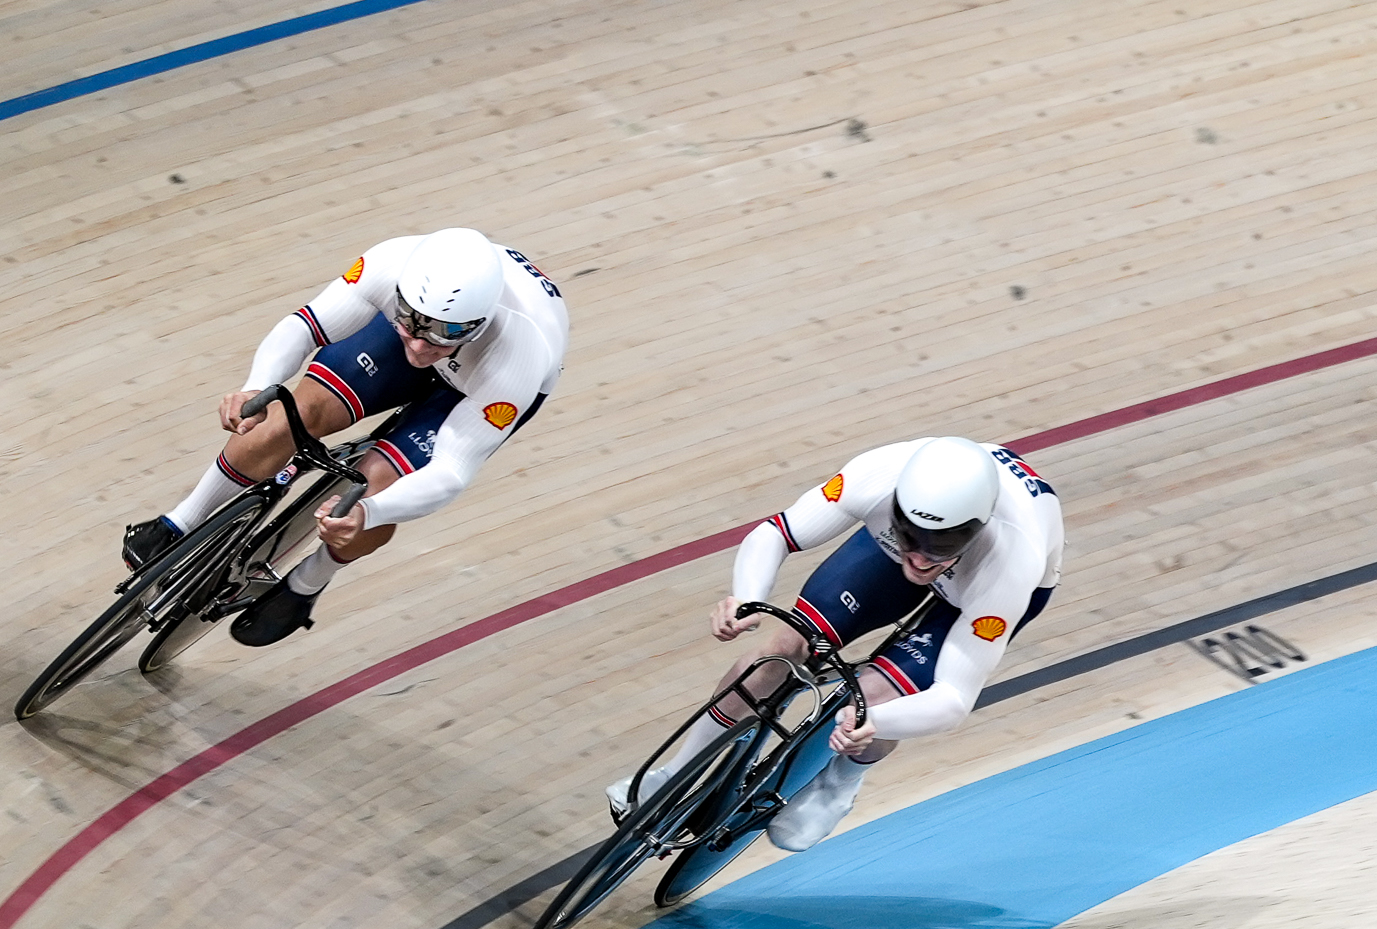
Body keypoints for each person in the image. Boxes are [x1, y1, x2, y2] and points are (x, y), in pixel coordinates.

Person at [608, 436, 1064, 851]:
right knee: (779, 651)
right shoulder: (876, 476)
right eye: (914, 536)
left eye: (943, 542)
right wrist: (747, 599)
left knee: (876, 699)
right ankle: (675, 776)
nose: (924, 556)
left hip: (975, 591)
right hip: (886, 553)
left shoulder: (1011, 562)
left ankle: (839, 783)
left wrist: (876, 721)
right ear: (898, 507)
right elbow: (777, 533)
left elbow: (952, 700)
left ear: (976, 526)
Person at [122, 228, 569, 645]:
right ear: (402, 295)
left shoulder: (519, 356)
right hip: (440, 342)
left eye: (445, 333)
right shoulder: (390, 263)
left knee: (375, 489)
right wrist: (256, 387)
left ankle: (307, 583)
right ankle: (181, 521)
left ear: (480, 321)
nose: (419, 345)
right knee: (291, 415)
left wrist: (373, 511)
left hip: (478, 383)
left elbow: (452, 470)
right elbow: (303, 326)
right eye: (412, 322)